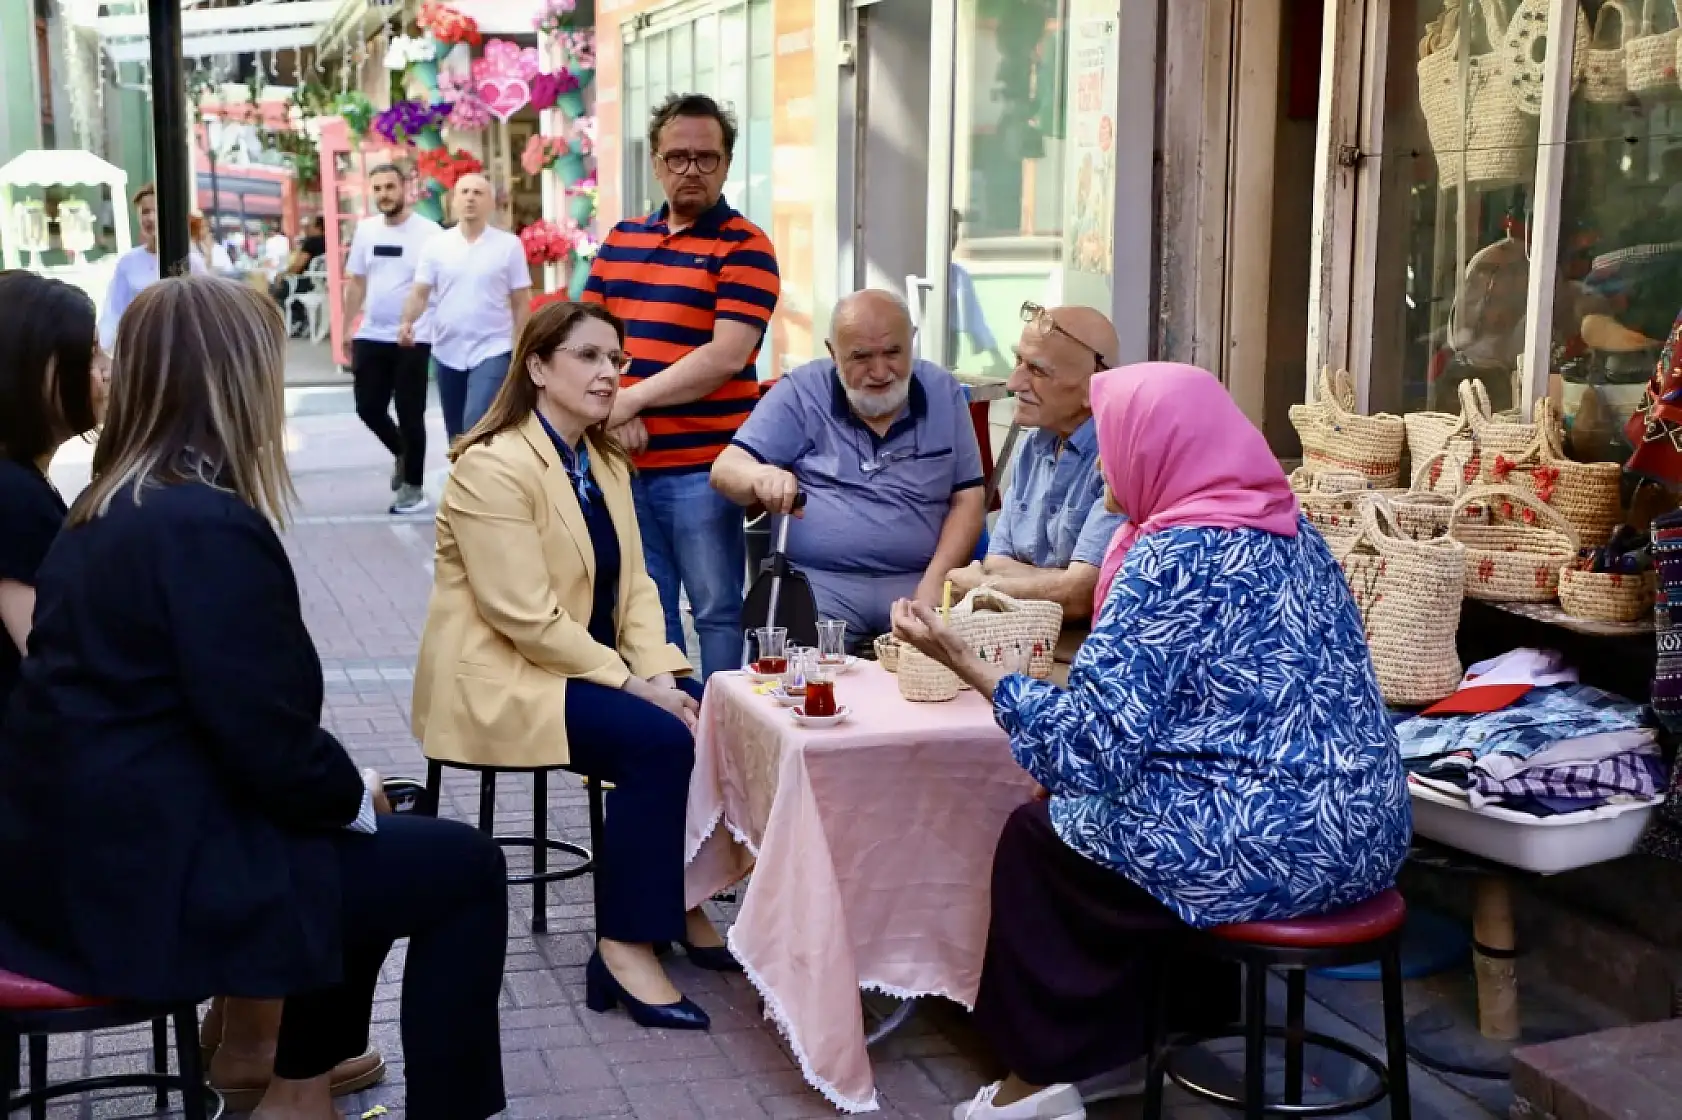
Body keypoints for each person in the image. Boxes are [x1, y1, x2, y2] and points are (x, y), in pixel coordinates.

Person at [0, 275, 509, 1120]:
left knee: (371, 839)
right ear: (238, 381)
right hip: (141, 885)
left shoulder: (108, 507)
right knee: (460, 866)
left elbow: (213, 724)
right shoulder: (200, 523)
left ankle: (293, 1089)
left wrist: (344, 798)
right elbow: (265, 740)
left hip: (89, 856)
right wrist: (350, 795)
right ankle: (331, 1094)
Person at [891, 363, 1412, 1120]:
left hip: (1274, 850)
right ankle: (1166, 1026)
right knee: (1109, 813)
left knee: (1039, 836)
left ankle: (1040, 1077)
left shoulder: (1168, 559)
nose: (1106, 461)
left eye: (1118, 442)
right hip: (1368, 834)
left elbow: (1088, 752)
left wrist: (973, 664)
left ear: (1162, 448)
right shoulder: (1291, 530)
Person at [413, 300, 736, 1033]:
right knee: (657, 742)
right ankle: (623, 945)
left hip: (587, 664)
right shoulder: (489, 467)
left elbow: (638, 590)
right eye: (589, 357)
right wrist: (633, 687)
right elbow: (522, 616)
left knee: (710, 710)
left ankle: (680, 898)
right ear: (536, 367)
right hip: (507, 675)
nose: (609, 373)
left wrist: (658, 672)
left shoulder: (602, 459)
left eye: (616, 360)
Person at [583, 93, 781, 679]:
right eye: (676, 158)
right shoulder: (620, 241)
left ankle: (721, 744)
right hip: (623, 467)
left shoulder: (746, 247)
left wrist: (632, 398)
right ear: (655, 162)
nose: (690, 170)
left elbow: (726, 355)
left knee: (718, 610)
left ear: (726, 164)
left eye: (705, 158)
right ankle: (674, 736)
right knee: (646, 613)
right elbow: (586, 341)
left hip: (704, 471)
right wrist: (614, 406)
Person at [711, 289, 986, 638]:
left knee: (934, 684)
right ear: (833, 353)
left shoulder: (943, 392)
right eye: (861, 357)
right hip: (819, 585)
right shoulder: (801, 391)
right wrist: (760, 474)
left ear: (912, 341)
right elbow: (726, 468)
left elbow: (969, 499)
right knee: (805, 685)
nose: (880, 371)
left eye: (893, 352)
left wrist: (934, 582)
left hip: (919, 582)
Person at [946, 302, 1122, 622]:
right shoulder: (1034, 445)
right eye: (1018, 361)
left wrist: (984, 588)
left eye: (1037, 370)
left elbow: (1081, 596)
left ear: (1093, 388)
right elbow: (996, 561)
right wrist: (1054, 583)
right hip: (1022, 636)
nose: (1014, 383)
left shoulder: (1119, 457)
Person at [0, 272, 102, 707]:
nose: (108, 372)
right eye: (92, 356)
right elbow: (51, 659)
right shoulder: (13, 497)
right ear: (35, 369)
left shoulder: (20, 482)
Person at [399, 174, 532, 441]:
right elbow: (420, 292)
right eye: (465, 192)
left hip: (493, 348)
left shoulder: (508, 246)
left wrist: (522, 346)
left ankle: (478, 478)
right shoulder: (436, 245)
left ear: (491, 203)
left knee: (477, 420)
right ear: (454, 201)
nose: (470, 197)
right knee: (456, 432)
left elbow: (520, 301)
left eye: (478, 192)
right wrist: (407, 322)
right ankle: (464, 479)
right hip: (447, 350)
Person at [344, 164, 441, 515]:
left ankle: (413, 487)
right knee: (367, 407)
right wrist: (345, 328)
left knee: (410, 411)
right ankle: (402, 452)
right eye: (378, 188)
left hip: (414, 335)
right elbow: (356, 281)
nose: (384, 194)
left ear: (405, 189)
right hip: (371, 332)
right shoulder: (366, 231)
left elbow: (436, 286)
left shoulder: (429, 233)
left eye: (390, 187)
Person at [99, 183, 204, 350]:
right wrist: (105, 348)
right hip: (140, 346)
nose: (150, 218)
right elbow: (114, 310)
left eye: (155, 210)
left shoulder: (191, 261)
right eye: (145, 212)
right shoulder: (128, 262)